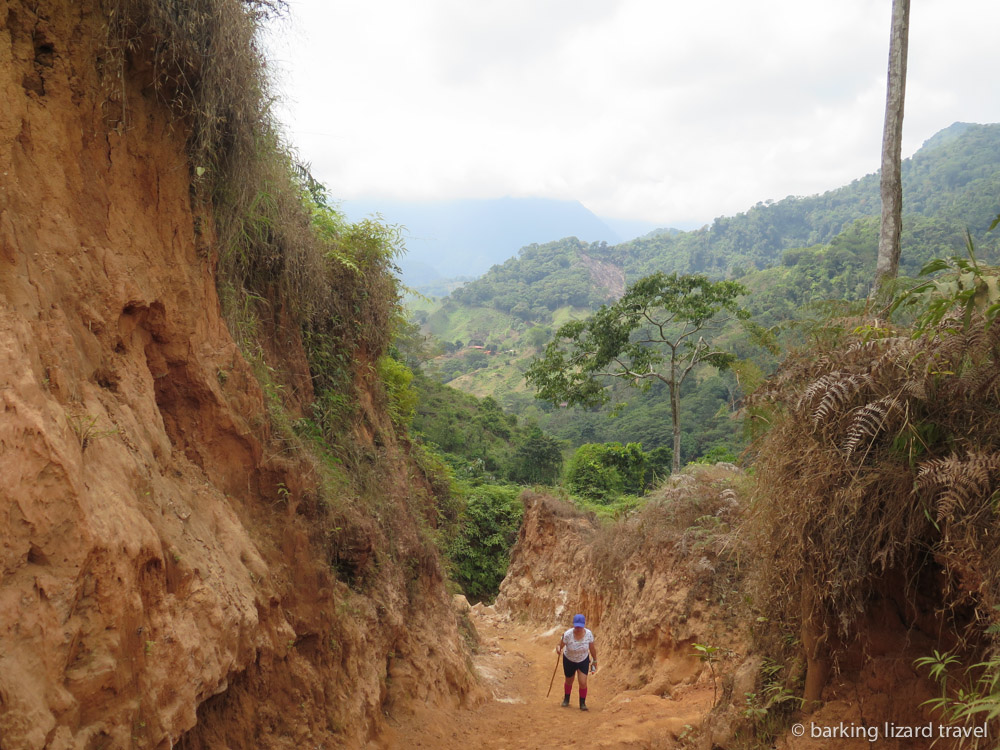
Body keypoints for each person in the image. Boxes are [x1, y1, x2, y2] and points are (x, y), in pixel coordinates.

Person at [555, 613, 597, 710]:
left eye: (580, 627)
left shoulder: (589, 634)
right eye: (576, 627)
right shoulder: (567, 634)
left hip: (583, 660)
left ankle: (582, 703)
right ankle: (566, 699)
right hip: (569, 660)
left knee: (583, 682)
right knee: (569, 680)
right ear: (574, 625)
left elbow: (592, 648)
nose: (578, 629)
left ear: (584, 626)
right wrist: (558, 649)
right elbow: (559, 645)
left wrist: (595, 660)